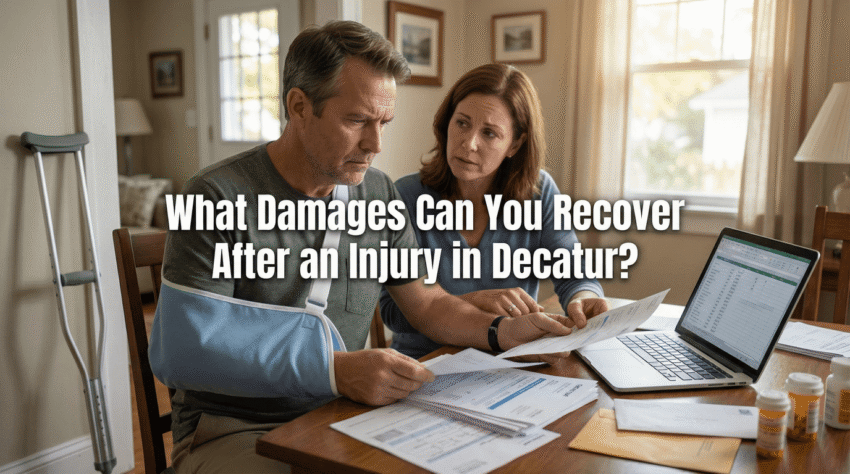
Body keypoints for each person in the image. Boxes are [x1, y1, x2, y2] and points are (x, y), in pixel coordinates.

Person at [148, 22, 584, 473]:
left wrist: (501, 332)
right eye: (357, 120)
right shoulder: (215, 196)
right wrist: (334, 370)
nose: (375, 145)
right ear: (299, 106)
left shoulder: (376, 194)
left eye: (383, 123)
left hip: (343, 415)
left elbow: (428, 303)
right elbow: (180, 353)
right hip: (235, 429)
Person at [380, 63, 610, 359]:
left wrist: (585, 298)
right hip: (426, 366)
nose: (469, 143)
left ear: (515, 144)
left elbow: (574, 274)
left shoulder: (539, 192)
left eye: (489, 133)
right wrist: (474, 302)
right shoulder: (406, 197)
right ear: (446, 122)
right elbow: (392, 313)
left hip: (512, 363)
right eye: (462, 123)